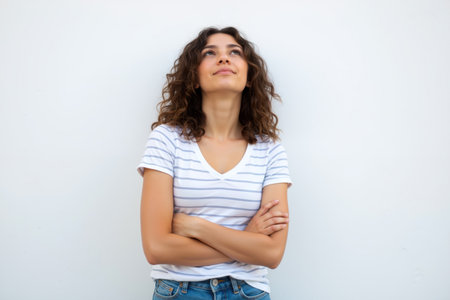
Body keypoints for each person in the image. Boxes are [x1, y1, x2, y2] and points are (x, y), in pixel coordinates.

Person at [138, 26, 292, 300]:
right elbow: (156, 249)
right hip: (180, 291)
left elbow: (271, 253)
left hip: (248, 292)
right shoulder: (166, 139)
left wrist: (198, 227)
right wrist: (247, 239)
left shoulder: (270, 149)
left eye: (234, 52)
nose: (224, 58)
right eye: (210, 53)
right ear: (194, 78)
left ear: (248, 77)